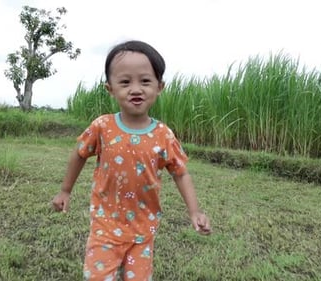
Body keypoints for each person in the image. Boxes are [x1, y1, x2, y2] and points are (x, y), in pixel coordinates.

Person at [51, 40, 211, 281]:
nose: (135, 89)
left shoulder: (163, 135)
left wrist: (194, 211)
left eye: (145, 81)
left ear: (160, 87)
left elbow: (180, 173)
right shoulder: (102, 127)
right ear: (110, 88)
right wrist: (65, 191)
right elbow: (79, 153)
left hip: (143, 228)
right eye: (125, 82)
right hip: (105, 224)